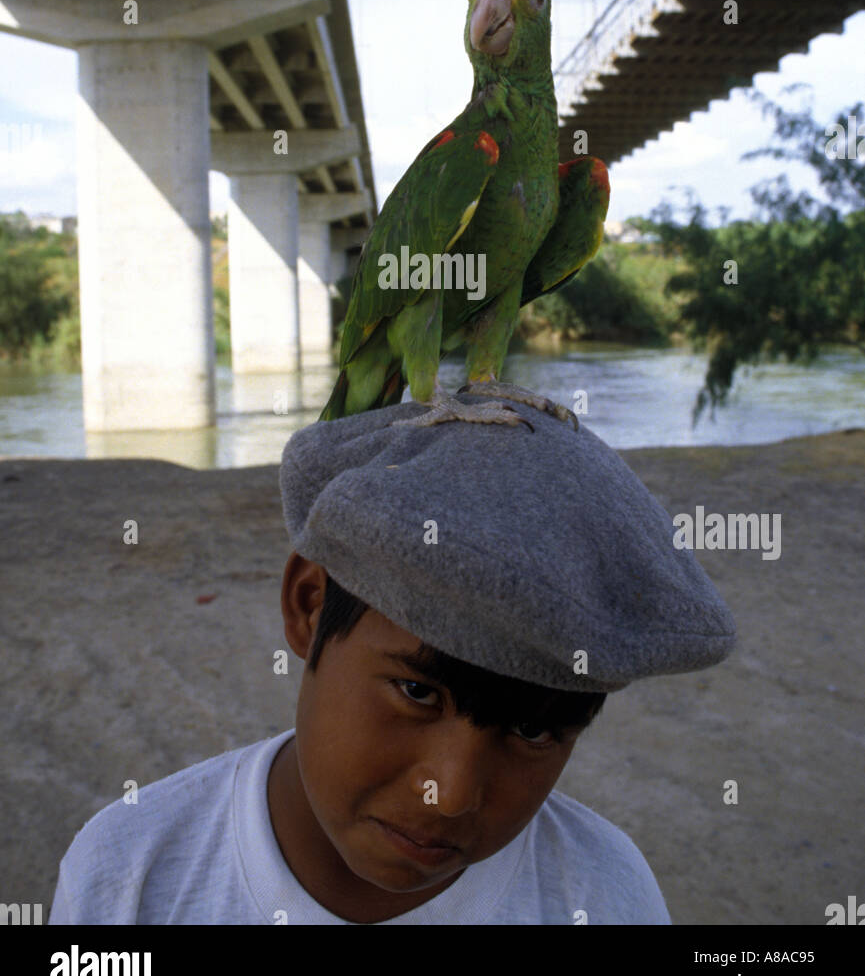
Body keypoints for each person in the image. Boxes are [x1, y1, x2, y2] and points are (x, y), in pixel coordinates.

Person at [48, 391, 736, 925]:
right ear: (309, 606)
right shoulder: (133, 871)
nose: (452, 793)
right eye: (415, 693)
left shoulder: (604, 893)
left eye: (531, 730)